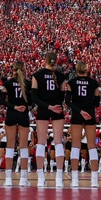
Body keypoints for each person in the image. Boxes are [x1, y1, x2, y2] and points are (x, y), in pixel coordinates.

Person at [31, 51, 67, 187]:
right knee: (58, 142)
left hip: (44, 108)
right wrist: (54, 106)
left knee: (41, 142)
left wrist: (48, 106)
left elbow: (34, 98)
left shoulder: (37, 75)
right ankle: (59, 178)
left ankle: (40, 177)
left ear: (44, 61)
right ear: (56, 62)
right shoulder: (61, 76)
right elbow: (62, 97)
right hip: (57, 108)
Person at [64, 61, 101, 188]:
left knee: (75, 146)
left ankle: (75, 179)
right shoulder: (94, 83)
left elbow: (67, 101)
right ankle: (94, 180)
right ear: (87, 69)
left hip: (77, 114)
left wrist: (80, 110)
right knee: (92, 146)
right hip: (90, 114)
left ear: (77, 70)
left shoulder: (71, 83)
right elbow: (97, 103)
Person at [1, 61, 32, 187]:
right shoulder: (27, 84)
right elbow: (32, 101)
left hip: (12, 113)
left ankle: (8, 178)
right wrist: (24, 107)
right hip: (23, 114)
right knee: (24, 146)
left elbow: (2, 101)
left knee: (10, 146)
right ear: (24, 69)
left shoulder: (7, 83)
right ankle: (23, 178)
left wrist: (14, 107)